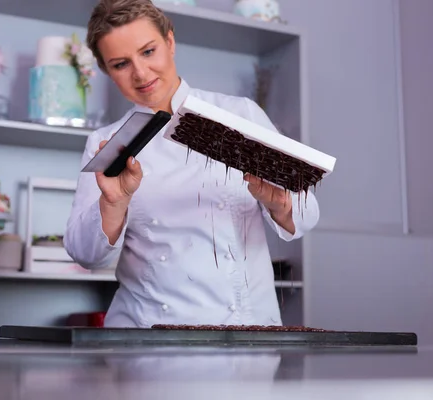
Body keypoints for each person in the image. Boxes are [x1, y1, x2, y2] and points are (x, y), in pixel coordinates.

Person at [64, 0, 319, 328]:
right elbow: (83, 253)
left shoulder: (240, 115)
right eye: (120, 64)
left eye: (148, 51)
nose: (140, 73)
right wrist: (113, 202)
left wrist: (278, 202)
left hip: (245, 333)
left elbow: (307, 213)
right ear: (105, 70)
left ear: (170, 42)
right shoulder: (107, 143)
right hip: (149, 339)